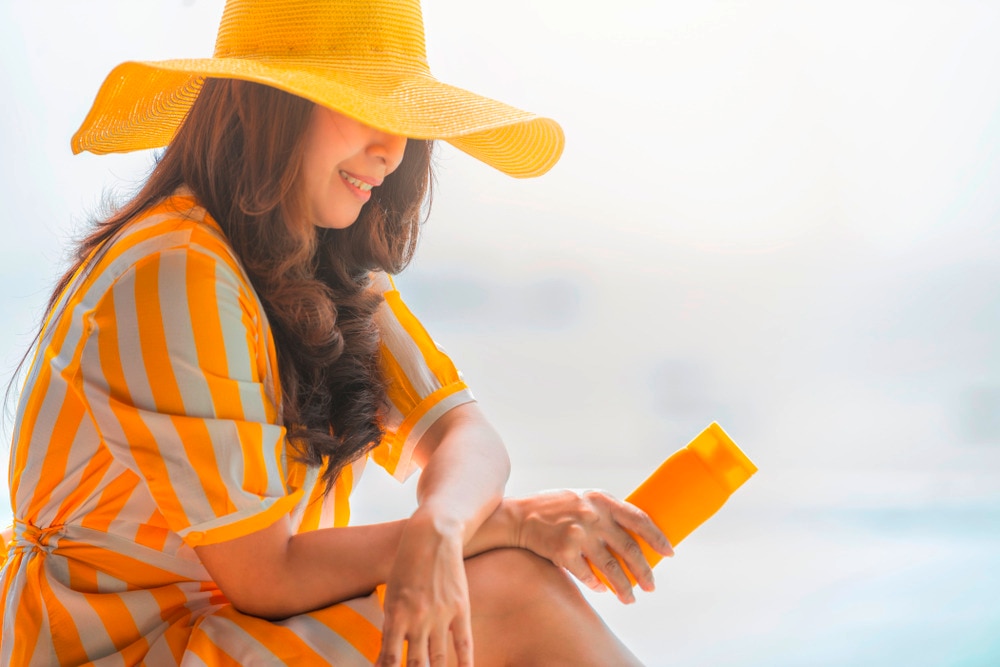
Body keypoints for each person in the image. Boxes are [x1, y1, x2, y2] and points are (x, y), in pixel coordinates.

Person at [1, 1, 673, 664]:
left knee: (502, 582)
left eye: (404, 119)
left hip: (225, 628)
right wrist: (511, 525)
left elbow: (465, 433)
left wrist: (441, 526)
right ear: (265, 103)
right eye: (364, 106)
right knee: (517, 591)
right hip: (106, 643)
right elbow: (268, 574)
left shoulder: (321, 267)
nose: (391, 150)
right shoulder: (176, 268)